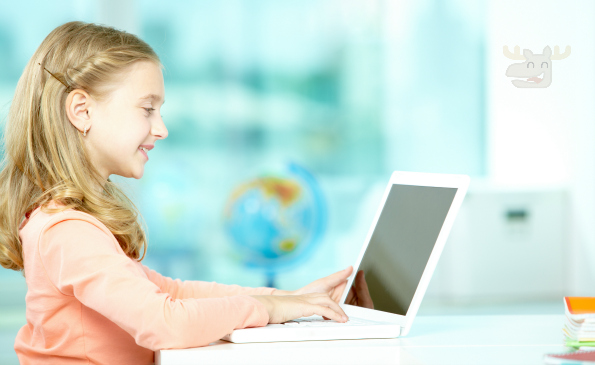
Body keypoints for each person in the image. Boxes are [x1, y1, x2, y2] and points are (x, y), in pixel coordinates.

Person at [0, 21, 372, 364]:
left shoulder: (72, 223)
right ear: (81, 111)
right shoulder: (68, 232)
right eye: (147, 109)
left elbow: (172, 293)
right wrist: (270, 309)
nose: (161, 128)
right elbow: (164, 322)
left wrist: (288, 300)